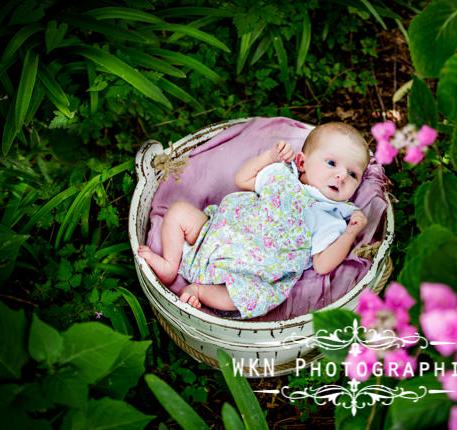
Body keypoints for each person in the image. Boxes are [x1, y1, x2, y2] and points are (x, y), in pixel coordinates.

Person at [138, 122, 370, 318]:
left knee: (251, 298)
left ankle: (199, 290)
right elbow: (243, 179)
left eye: (353, 174)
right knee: (179, 211)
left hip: (253, 271)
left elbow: (321, 264)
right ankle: (170, 264)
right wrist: (269, 157)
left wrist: (350, 234)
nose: (341, 176)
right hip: (216, 233)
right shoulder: (282, 175)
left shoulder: (330, 216)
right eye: (331, 163)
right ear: (301, 163)